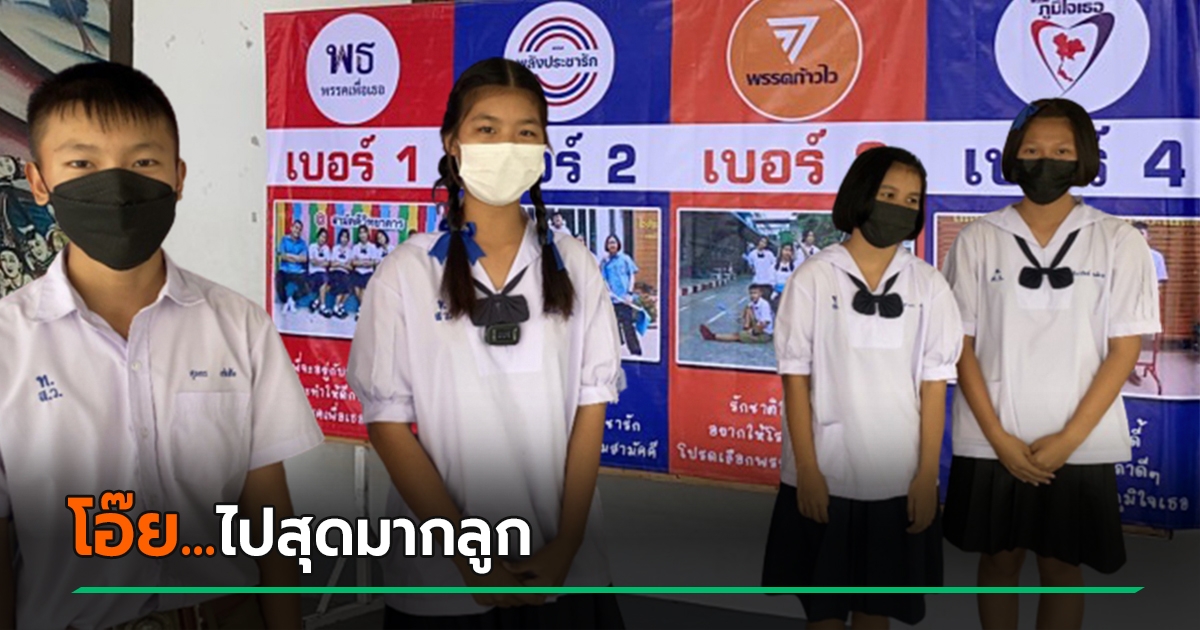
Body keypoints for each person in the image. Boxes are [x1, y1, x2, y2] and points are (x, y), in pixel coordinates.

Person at [0, 61, 322, 630]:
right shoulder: (9, 343)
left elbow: (270, 516)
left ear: (178, 177)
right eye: (82, 163)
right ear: (39, 181)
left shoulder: (239, 326)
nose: (116, 185)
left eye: (143, 162)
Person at [346, 57, 625, 629]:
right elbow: (388, 423)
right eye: (487, 129)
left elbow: (590, 407)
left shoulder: (575, 264)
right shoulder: (407, 272)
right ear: (453, 143)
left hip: (564, 568)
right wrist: (467, 556)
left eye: (525, 132)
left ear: (544, 148)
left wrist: (567, 544)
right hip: (442, 579)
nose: (506, 146)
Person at [941, 99, 1160, 630]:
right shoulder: (977, 238)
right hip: (993, 438)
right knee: (999, 560)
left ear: (1083, 157)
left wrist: (1068, 440)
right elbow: (960, 344)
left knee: (1062, 566)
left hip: (1079, 440)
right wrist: (998, 437)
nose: (1046, 161)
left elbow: (1125, 348)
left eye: (1062, 151)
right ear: (1012, 157)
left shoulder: (1118, 239)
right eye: (1033, 150)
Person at [762, 146, 960, 629]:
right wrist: (807, 470)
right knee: (824, 612)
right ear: (860, 195)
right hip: (825, 473)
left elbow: (935, 388)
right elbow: (795, 381)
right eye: (888, 194)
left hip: (897, 478)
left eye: (911, 200)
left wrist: (926, 477)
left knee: (877, 613)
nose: (900, 207)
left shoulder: (929, 285)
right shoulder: (814, 277)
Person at [1128, 221, 1168, 386]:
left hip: (1145, 302)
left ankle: (1131, 366)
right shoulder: (1121, 255)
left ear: (1148, 237)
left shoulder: (1156, 257)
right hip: (1123, 301)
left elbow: (1160, 282)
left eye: (1142, 234)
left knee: (1140, 336)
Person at [602, 234, 642, 357]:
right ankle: (615, 352)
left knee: (628, 325)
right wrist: (608, 291)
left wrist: (629, 293)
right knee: (613, 326)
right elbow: (604, 279)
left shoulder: (625, 259)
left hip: (625, 299)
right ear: (607, 246)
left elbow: (632, 276)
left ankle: (635, 352)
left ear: (618, 244)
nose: (612, 245)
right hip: (613, 299)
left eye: (614, 242)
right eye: (610, 243)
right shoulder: (605, 262)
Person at [698, 284, 774, 344]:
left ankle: (713, 336)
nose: (752, 295)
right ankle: (746, 328)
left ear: (760, 294)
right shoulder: (754, 302)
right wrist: (741, 317)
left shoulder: (764, 305)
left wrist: (753, 331)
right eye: (751, 293)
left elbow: (765, 323)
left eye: (755, 293)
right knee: (748, 308)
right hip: (758, 326)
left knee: (737, 336)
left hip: (764, 334)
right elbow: (747, 308)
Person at [276, 217, 309, 312]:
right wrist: (296, 258)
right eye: (296, 228)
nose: (297, 230)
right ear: (291, 228)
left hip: (298, 271)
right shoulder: (284, 240)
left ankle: (292, 299)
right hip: (285, 270)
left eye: (299, 229)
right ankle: (286, 301)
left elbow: (304, 259)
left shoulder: (302, 243)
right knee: (278, 281)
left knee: (306, 287)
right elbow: (282, 256)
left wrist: (289, 255)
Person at [350, 225, 377, 320]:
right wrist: (364, 262)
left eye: (364, 232)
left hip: (368, 272)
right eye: (360, 233)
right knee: (357, 289)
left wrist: (361, 262)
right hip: (358, 272)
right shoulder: (356, 247)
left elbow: (373, 262)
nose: (362, 235)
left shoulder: (372, 247)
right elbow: (353, 262)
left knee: (364, 290)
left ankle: (360, 310)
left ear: (367, 234)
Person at [329, 228, 354, 319]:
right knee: (341, 283)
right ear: (339, 238)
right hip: (336, 272)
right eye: (342, 236)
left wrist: (339, 264)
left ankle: (340, 306)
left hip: (345, 273)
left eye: (346, 237)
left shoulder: (350, 251)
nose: (344, 239)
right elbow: (332, 264)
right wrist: (343, 264)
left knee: (349, 288)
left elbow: (350, 267)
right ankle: (336, 307)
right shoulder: (335, 249)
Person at [307, 226, 332, 317]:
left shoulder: (326, 248)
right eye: (321, 236)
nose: (323, 239)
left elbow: (328, 263)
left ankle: (316, 302)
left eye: (325, 237)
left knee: (329, 285)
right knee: (324, 280)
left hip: (323, 273)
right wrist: (322, 262)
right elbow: (312, 262)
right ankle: (323, 306)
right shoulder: (312, 246)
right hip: (313, 273)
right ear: (318, 237)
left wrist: (318, 262)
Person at [772, 242, 797, 311]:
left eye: (790, 250)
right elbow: (771, 281)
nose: (787, 252)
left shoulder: (795, 266)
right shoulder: (774, 266)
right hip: (777, 294)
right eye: (786, 250)